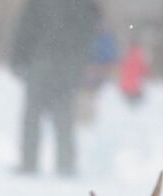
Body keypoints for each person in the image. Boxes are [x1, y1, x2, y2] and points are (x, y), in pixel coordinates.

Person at [11, 0, 101, 176]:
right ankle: (63, 163)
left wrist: (18, 57)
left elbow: (26, 27)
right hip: (61, 63)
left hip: (45, 61)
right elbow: (91, 27)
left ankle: (33, 162)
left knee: (38, 115)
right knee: (60, 116)